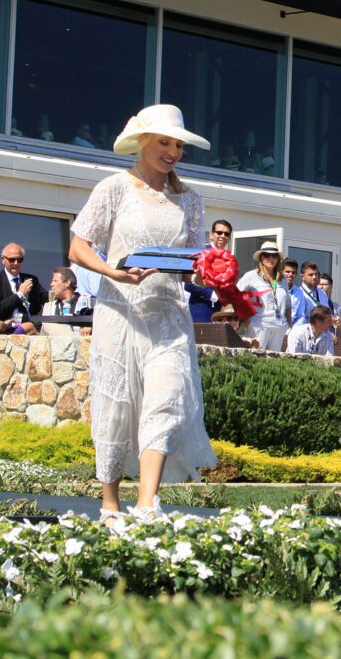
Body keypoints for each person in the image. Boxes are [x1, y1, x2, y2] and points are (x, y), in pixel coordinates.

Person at [68, 103, 218, 524]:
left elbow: (192, 261)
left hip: (169, 313)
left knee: (166, 397)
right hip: (121, 311)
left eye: (178, 145)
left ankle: (148, 502)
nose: (172, 152)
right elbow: (78, 247)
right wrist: (113, 270)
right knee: (116, 406)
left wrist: (210, 272)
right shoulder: (114, 188)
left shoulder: (190, 201)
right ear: (142, 143)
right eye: (164, 142)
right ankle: (111, 502)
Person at [239, 241, 290, 352]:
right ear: (261, 258)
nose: (271, 258)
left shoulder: (283, 279)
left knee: (274, 363)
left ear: (278, 259)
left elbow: (287, 304)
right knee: (257, 359)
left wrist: (288, 324)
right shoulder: (251, 276)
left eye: (274, 255)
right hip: (259, 325)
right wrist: (247, 320)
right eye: (267, 255)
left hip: (279, 326)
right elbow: (237, 297)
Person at [0, 243, 48, 331]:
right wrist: (20, 294)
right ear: (3, 260)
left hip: (33, 328)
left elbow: (46, 298)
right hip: (8, 329)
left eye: (19, 259)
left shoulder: (31, 280)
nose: (16, 263)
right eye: (12, 260)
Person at [185, 219, 233, 323]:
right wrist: (213, 295)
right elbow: (188, 284)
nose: (223, 236)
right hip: (200, 313)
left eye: (226, 234)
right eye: (219, 232)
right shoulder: (201, 253)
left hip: (220, 314)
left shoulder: (228, 258)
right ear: (211, 235)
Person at [289, 261, 330, 326]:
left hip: (322, 333)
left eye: (316, 274)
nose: (314, 277)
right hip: (304, 332)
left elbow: (327, 314)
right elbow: (295, 317)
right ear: (302, 277)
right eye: (310, 275)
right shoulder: (298, 294)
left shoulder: (322, 293)